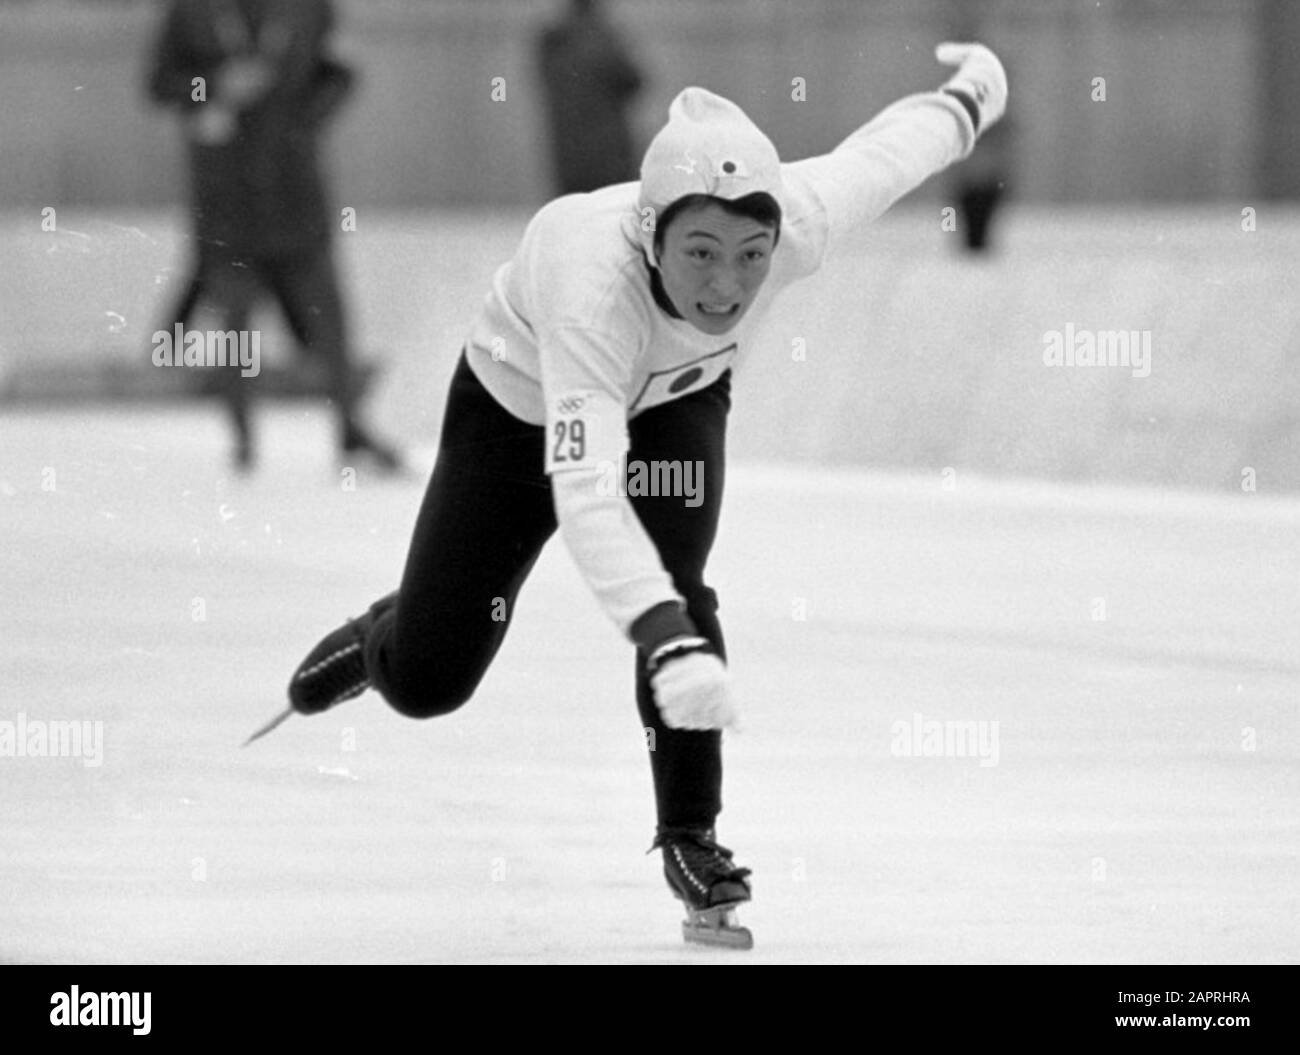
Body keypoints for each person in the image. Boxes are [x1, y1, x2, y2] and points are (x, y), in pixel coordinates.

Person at [281, 43, 1007, 946]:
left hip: (676, 403)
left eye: (750, 255)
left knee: (681, 584)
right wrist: (662, 640)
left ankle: (690, 835)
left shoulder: (802, 222)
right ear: (649, 233)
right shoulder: (590, 280)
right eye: (698, 252)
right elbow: (587, 495)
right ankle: (391, 630)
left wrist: (974, 91)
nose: (727, 286)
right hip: (518, 413)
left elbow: (892, 151)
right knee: (431, 683)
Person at [146, 0, 401, 472]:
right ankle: (242, 437)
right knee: (235, 322)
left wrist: (301, 122)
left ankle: (350, 426)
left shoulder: (309, 8)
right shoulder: (191, 11)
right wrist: (215, 88)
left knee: (328, 316)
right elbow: (161, 85)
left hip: (294, 193)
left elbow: (341, 73)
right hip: (227, 199)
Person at [537, 0, 645, 196]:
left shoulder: (553, 41)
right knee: (611, 210)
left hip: (567, 149)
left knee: (572, 211)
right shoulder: (604, 39)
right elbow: (635, 81)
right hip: (609, 150)